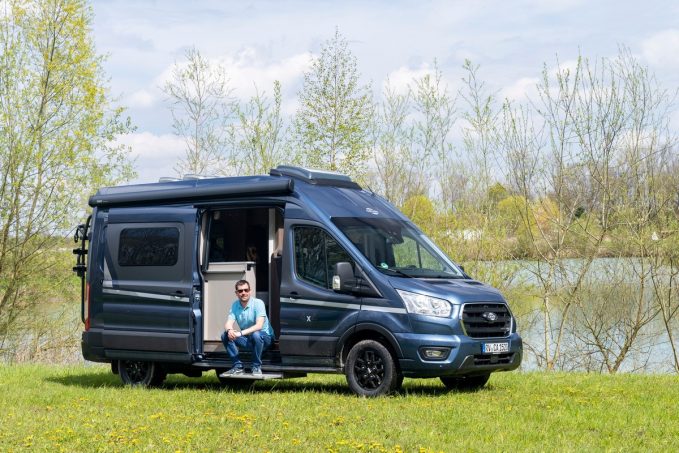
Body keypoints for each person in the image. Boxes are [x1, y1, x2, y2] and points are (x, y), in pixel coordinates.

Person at [220, 279, 274, 376]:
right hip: (249, 338)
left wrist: (239, 333)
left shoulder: (258, 303)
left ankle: (256, 366)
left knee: (256, 334)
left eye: (246, 290)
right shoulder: (235, 305)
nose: (243, 293)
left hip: (265, 339)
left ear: (250, 291)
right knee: (225, 335)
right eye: (240, 291)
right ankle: (238, 367)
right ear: (236, 293)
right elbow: (228, 323)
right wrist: (230, 330)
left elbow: (259, 326)